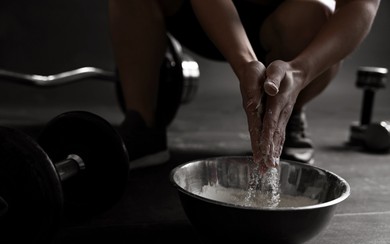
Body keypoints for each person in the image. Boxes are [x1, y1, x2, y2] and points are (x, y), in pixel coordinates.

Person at [109, 0, 381, 170]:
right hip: (206, 12)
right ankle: (143, 122)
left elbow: (362, 5)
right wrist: (244, 62)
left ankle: (290, 111)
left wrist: (300, 71)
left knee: (315, 11)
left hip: (288, 23)